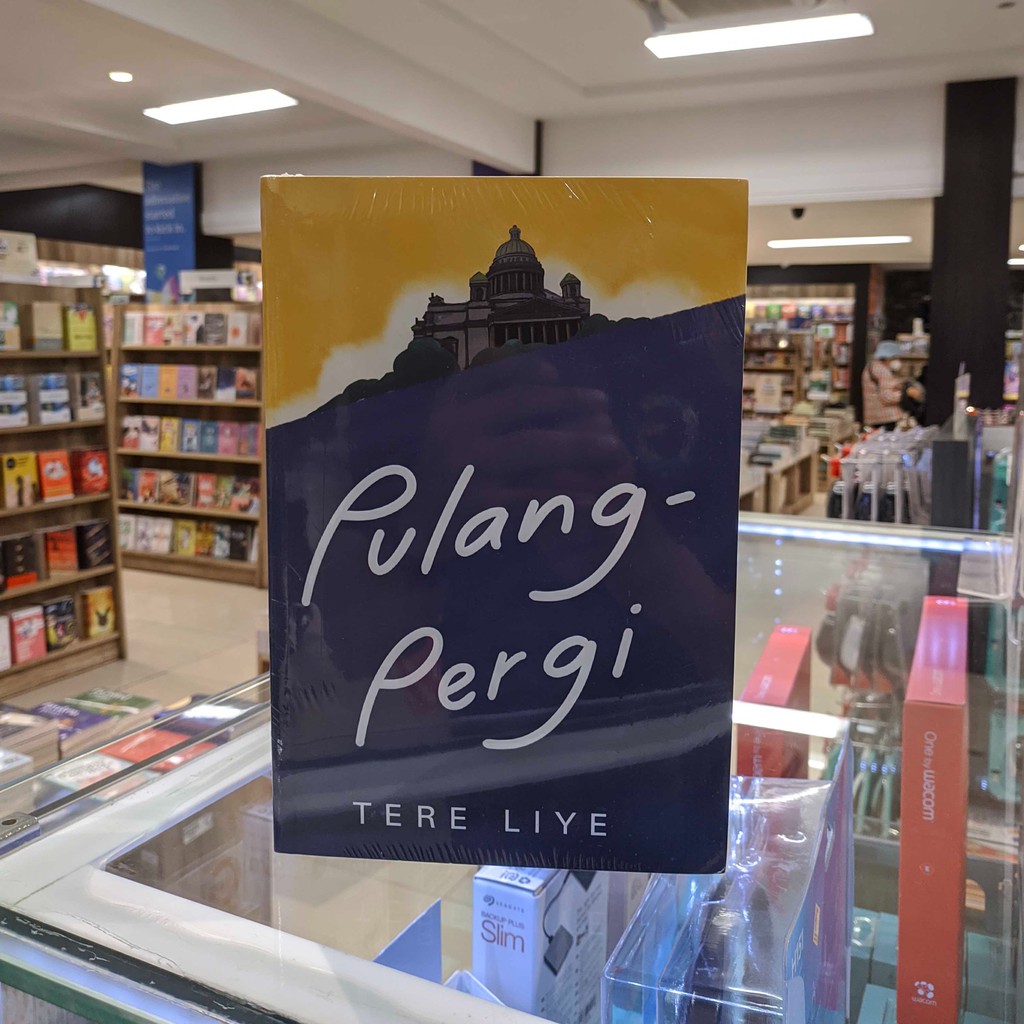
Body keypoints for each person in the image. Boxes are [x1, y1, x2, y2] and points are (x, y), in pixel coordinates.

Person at [862, 341, 923, 430]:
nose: (897, 360)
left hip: (873, 416)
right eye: (895, 357)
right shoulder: (883, 371)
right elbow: (887, 397)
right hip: (886, 417)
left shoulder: (871, 366)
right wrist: (906, 393)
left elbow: (879, 388)